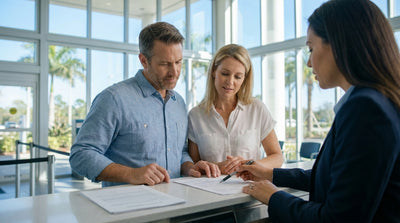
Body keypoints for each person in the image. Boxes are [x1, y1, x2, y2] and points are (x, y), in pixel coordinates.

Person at [238, 0, 400, 222]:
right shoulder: (375, 101)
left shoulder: (366, 109)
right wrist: (270, 174)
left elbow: (338, 219)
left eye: (311, 48)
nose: (308, 62)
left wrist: (274, 197)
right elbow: (336, 178)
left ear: (338, 44)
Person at [69, 22, 220, 187]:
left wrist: (190, 167)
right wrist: (132, 174)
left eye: (178, 62)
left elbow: (180, 152)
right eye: (164, 64)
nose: (174, 72)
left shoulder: (179, 103)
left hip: (176, 205)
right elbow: (81, 155)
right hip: (128, 208)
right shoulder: (113, 99)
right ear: (143, 60)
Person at [188, 44, 284, 175]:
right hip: (208, 192)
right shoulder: (196, 115)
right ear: (213, 72)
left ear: (244, 79)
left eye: (238, 77)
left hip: (250, 188)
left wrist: (250, 165)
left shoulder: (257, 109)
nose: (230, 82)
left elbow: (277, 157)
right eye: (225, 74)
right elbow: (194, 166)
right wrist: (217, 167)